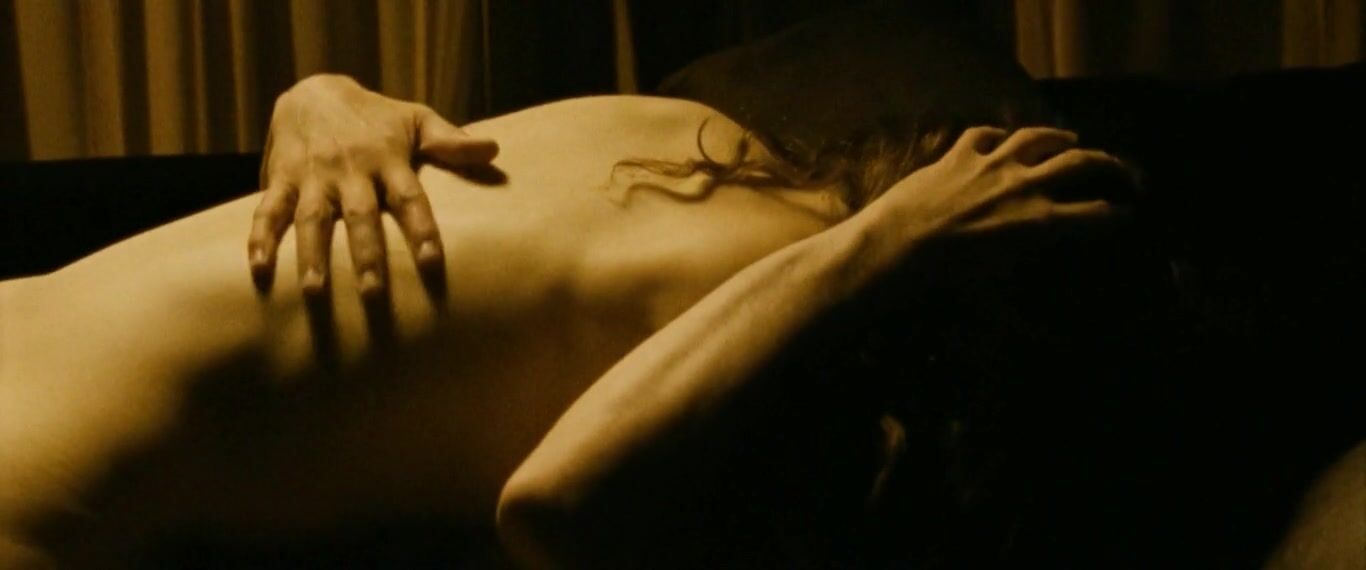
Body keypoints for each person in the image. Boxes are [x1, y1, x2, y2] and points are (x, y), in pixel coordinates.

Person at [0, 72, 1156, 567]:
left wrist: (317, 94)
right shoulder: (789, 299)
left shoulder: (685, 144)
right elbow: (553, 513)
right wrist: (323, 96)